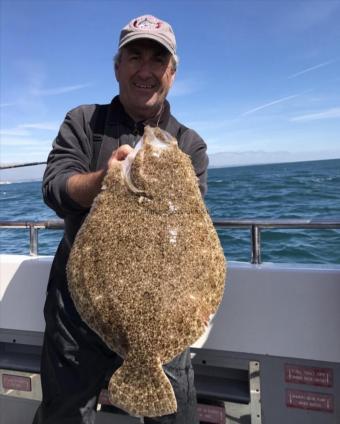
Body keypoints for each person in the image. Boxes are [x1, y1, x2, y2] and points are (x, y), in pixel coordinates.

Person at [33, 14, 208, 424]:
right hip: (81, 305)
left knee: (174, 416)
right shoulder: (83, 122)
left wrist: (198, 297)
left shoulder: (190, 145)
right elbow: (54, 186)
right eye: (135, 57)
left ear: (172, 72)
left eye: (157, 60)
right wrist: (106, 181)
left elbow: (196, 234)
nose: (146, 70)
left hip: (163, 310)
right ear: (118, 66)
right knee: (64, 415)